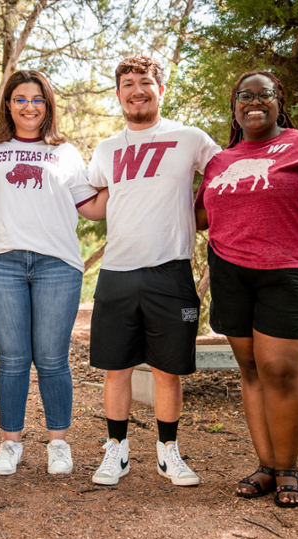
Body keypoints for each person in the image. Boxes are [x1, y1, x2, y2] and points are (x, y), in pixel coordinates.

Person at [194, 71, 298, 508]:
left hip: (293, 271)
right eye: (245, 95)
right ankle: (266, 467)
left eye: (264, 94)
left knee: (279, 369)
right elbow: (198, 217)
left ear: (278, 100)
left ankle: (288, 468)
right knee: (249, 370)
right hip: (231, 271)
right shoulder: (220, 161)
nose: (254, 101)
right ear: (235, 106)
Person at [86, 55, 221, 486]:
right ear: (119, 94)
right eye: (127, 84)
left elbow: (224, 179)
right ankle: (117, 452)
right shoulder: (106, 149)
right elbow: (91, 203)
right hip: (117, 271)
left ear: (160, 89)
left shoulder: (190, 138)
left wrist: (198, 212)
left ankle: (168, 453)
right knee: (116, 368)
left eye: (145, 82)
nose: (136, 90)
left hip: (171, 269)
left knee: (168, 370)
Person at [0, 70, 108, 476]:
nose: (29, 106)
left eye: (37, 99)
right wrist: (0, 230)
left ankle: (58, 444)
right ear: (8, 104)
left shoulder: (65, 151)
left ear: (47, 105)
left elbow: (92, 208)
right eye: (20, 99)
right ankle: (10, 444)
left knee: (52, 359)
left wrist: (130, 184)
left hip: (57, 264)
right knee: (12, 359)